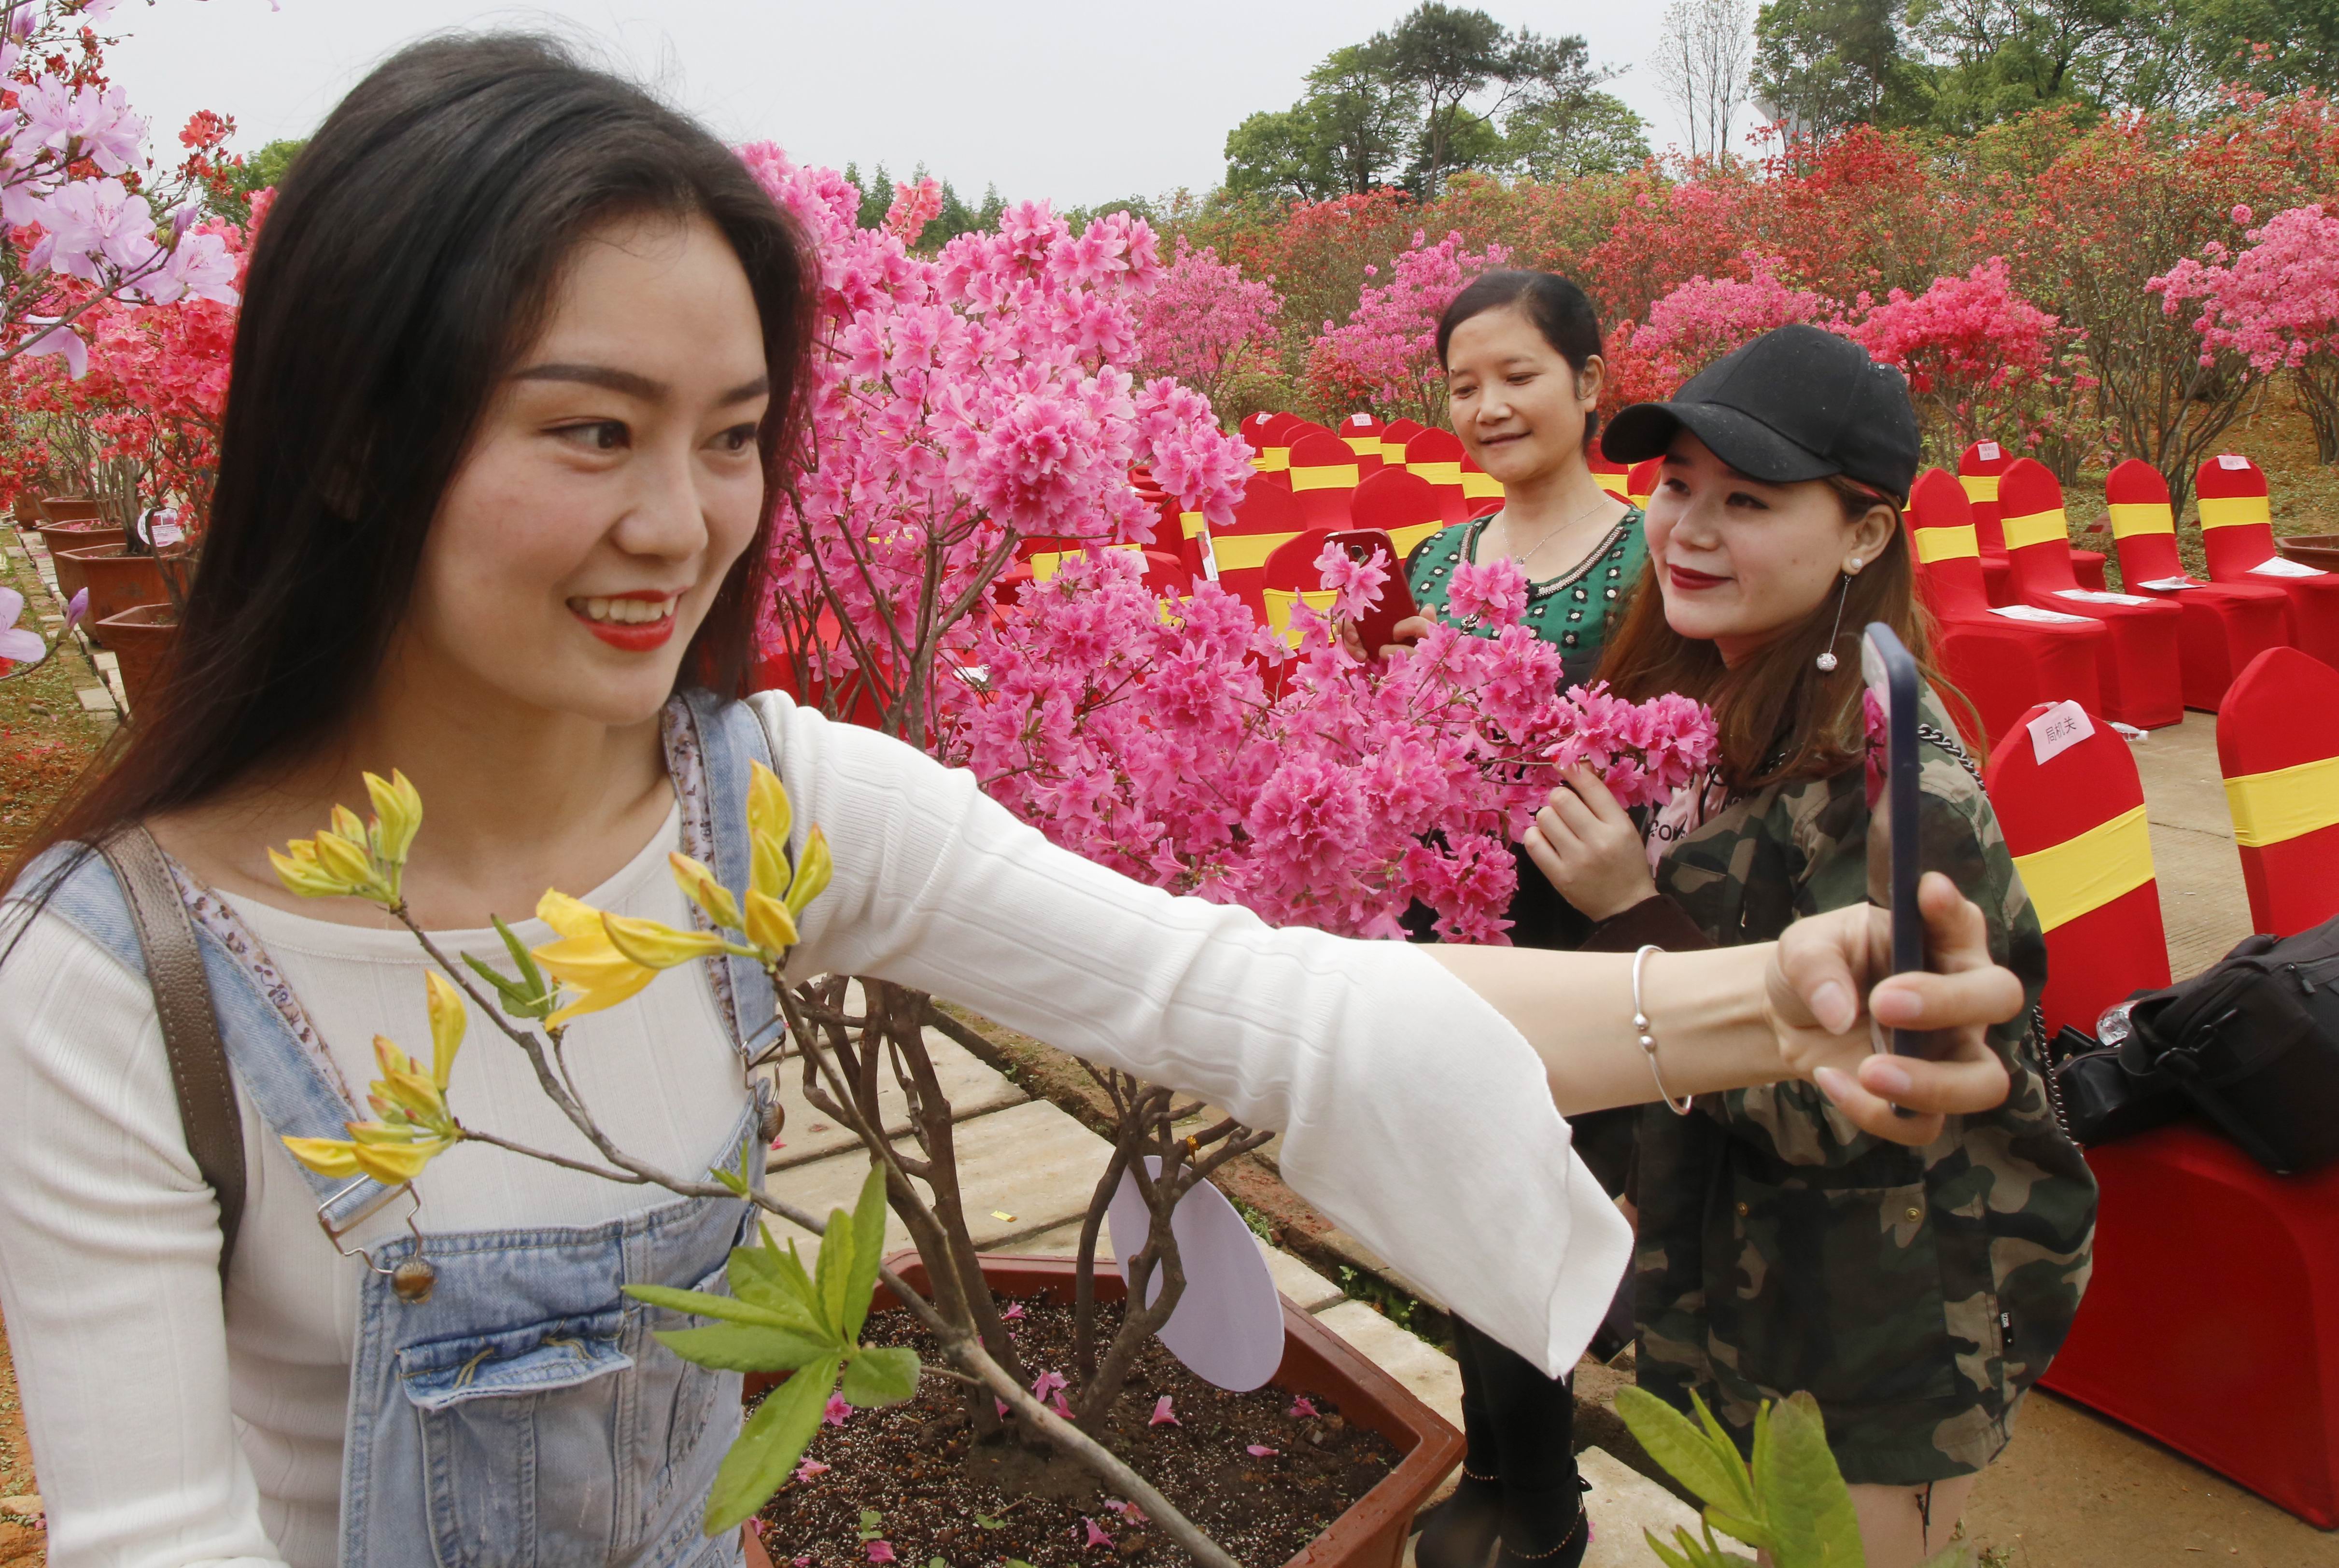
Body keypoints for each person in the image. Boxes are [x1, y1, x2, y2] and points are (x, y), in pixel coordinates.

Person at [0, 44, 2025, 1568]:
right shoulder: (125, 981)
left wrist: (1779, 991)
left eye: (729, 440)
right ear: (354, 437)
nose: (678, 524)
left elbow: (1256, 999)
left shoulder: (760, 807)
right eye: (589, 431)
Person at [1526, 325, 2099, 1568]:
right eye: (1676, 485)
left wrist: (1634, 910)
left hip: (1875, 1318)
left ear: (1862, 534)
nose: (1686, 528)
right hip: (1738, 1275)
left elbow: (1853, 1105)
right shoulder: (1713, 698)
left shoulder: (1899, 787)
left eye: (1747, 499)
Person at [1355, 271, 1649, 1568]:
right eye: (1463, 385)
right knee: (1472, 1196)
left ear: (1588, 381)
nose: (1486, 406)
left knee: (1561, 1197)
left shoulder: (1649, 558)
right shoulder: (1436, 558)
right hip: (1452, 924)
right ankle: (1505, 1464)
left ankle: (1551, 1493)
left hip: (1584, 926)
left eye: (1516, 376)